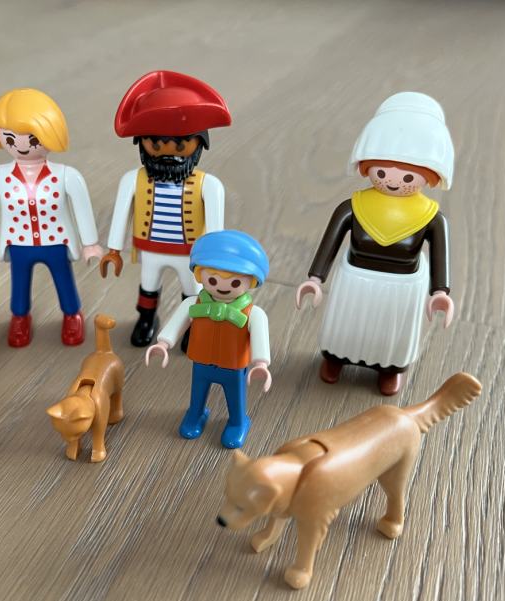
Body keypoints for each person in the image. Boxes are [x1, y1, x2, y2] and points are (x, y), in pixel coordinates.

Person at [296, 92, 455, 395]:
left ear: (431, 176)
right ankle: (334, 359)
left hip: (403, 287)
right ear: (365, 166)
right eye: (381, 172)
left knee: (392, 333)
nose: (393, 181)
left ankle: (390, 369)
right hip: (355, 279)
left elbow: (439, 255)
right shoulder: (353, 206)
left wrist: (439, 292)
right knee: (345, 326)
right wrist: (315, 279)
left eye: (408, 177)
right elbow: (330, 242)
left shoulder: (432, 217)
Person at [100, 71, 230, 347]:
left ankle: (191, 325)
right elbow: (121, 214)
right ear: (142, 143)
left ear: (200, 142)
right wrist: (113, 249)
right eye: (157, 144)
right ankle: (146, 319)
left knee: (191, 289)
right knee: (148, 285)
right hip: (151, 248)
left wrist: (213, 257)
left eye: (181, 144)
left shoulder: (209, 185)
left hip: (190, 252)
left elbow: (216, 228)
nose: (168, 152)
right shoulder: (133, 179)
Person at [0, 88, 102, 347]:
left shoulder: (67, 175)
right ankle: (20, 317)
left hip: (56, 241)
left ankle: (72, 315)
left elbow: (82, 208)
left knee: (64, 280)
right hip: (18, 243)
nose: (20, 146)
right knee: (19, 284)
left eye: (32, 139)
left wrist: (90, 243)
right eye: (10, 138)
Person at [146, 230, 271, 449]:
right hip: (202, 360)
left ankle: (238, 422)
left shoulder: (254, 313)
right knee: (198, 392)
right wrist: (163, 343)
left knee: (235, 397)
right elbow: (176, 323)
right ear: (199, 274)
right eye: (212, 279)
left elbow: (260, 336)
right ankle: (196, 414)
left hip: (233, 365)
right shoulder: (193, 303)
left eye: (234, 282)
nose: (222, 286)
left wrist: (261, 363)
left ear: (251, 281)